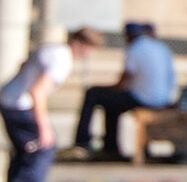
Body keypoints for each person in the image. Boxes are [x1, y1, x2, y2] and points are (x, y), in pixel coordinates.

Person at [0, 27, 100, 182]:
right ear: (80, 44)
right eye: (89, 49)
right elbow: (38, 92)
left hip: (8, 99)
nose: (89, 54)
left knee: (26, 150)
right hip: (19, 104)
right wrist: (44, 127)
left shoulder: (52, 50)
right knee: (45, 147)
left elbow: (23, 66)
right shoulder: (62, 60)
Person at [74, 21, 176, 159]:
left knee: (93, 94)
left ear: (129, 37)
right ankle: (110, 147)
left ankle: (83, 141)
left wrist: (107, 88)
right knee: (112, 104)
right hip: (165, 98)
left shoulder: (135, 48)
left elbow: (123, 82)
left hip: (143, 98)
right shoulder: (162, 48)